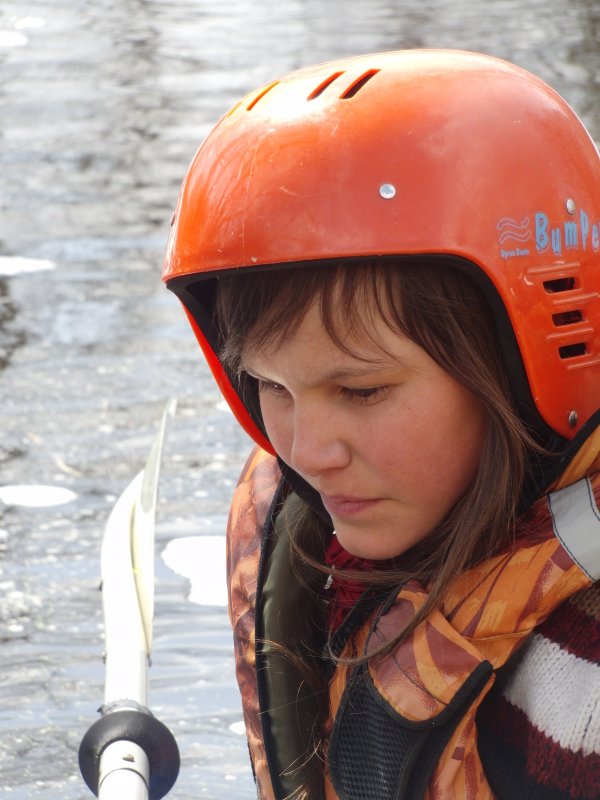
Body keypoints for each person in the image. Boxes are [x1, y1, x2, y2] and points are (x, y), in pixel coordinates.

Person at [162, 50, 600, 799]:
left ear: (522, 368)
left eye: (361, 391)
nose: (307, 451)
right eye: (272, 387)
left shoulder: (581, 679)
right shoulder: (310, 537)